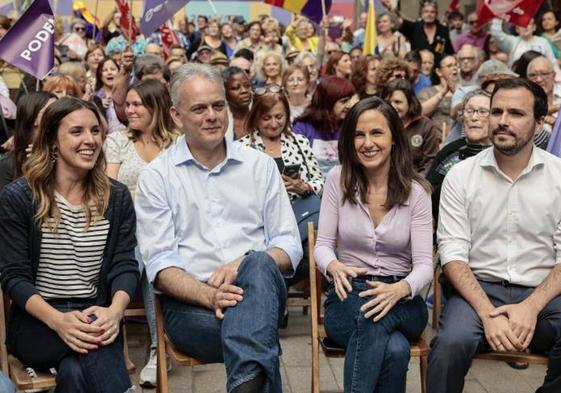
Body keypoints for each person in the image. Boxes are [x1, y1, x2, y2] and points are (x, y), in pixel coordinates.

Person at [135, 63, 302, 393]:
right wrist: (211, 295)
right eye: (199, 108)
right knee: (258, 335)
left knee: (257, 262)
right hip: (193, 307)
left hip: (259, 291)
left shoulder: (260, 166)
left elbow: (289, 244)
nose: (211, 115)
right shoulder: (158, 177)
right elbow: (161, 265)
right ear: (176, 116)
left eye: (217, 105)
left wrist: (240, 264)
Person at [427, 78, 561, 393]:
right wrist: (488, 314)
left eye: (515, 113)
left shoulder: (558, 177)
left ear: (539, 122)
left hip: (545, 294)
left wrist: (530, 307)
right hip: (477, 292)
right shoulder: (461, 176)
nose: (502, 121)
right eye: (496, 111)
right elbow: (452, 254)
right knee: (448, 346)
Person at [0, 97, 139, 392]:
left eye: (95, 131)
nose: (90, 140)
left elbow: (125, 264)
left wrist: (115, 310)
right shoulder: (20, 197)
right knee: (96, 347)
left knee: (75, 373)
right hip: (38, 320)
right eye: (76, 132)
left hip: (97, 313)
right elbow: (14, 277)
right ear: (52, 140)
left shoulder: (116, 197)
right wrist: (59, 321)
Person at [315, 96, 433, 393]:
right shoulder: (338, 179)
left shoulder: (416, 192)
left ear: (394, 137)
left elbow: (424, 266)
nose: (367, 143)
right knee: (393, 348)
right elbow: (323, 245)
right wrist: (332, 265)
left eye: (376, 133)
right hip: (349, 294)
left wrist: (401, 289)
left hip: (403, 298)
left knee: (374, 317)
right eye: (359, 134)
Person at [104, 79, 179, 388]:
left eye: (137, 105)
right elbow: (111, 188)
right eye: (127, 104)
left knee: (154, 256)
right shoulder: (118, 140)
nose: (129, 110)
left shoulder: (178, 141)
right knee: (142, 256)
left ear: (156, 107)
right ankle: (147, 348)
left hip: (168, 227)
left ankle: (156, 350)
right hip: (127, 226)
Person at [238, 85, 323, 200]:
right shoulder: (242, 148)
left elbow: (321, 182)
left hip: (299, 215)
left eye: (279, 117)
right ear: (255, 118)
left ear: (287, 115)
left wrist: (304, 187)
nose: (274, 124)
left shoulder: (300, 142)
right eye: (266, 118)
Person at [426, 89, 492, 220]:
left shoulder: (502, 154)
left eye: (482, 112)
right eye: (469, 111)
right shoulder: (450, 151)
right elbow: (429, 192)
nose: (474, 117)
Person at [293, 76, 356, 175]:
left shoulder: (350, 125)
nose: (349, 105)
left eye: (349, 100)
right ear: (328, 102)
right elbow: (297, 165)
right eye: (344, 101)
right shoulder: (303, 127)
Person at [0, 92, 57, 190]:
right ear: (34, 116)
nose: (60, 115)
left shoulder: (58, 155)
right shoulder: (7, 165)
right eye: (52, 111)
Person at [383, 79, 441, 174]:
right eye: (388, 102)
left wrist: (417, 186)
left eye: (398, 102)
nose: (392, 106)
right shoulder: (381, 124)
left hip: (416, 181)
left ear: (410, 102)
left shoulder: (425, 126)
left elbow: (431, 162)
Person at [385, 0, 454, 57]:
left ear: (436, 14)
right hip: (418, 69)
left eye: (432, 12)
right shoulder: (414, 28)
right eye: (426, 12)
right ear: (421, 14)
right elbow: (399, 20)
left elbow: (450, 51)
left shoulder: (443, 30)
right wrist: (390, 7)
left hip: (438, 70)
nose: (429, 14)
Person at [490, 18, 556, 67]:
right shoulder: (512, 41)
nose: (525, 27)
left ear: (534, 27)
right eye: (521, 24)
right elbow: (496, 33)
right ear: (517, 29)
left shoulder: (543, 42)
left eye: (528, 24)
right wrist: (498, 18)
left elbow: (552, 62)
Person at [418, 54, 458, 131]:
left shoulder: (465, 90)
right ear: (439, 71)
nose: (454, 68)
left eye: (456, 65)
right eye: (449, 66)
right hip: (436, 138)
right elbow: (420, 113)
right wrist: (443, 92)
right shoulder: (427, 92)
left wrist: (457, 91)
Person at [95, 58, 125, 134]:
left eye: (113, 69)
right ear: (99, 74)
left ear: (119, 72)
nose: (109, 72)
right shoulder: (95, 97)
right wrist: (98, 105)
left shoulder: (128, 92)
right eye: (105, 70)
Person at [223, 66, 252, 140]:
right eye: (236, 88)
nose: (244, 91)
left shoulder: (261, 113)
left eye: (247, 85)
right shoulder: (220, 120)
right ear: (225, 92)